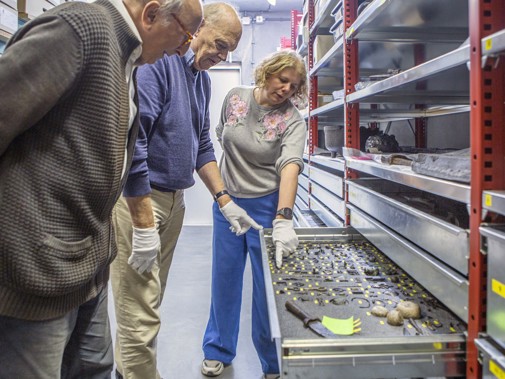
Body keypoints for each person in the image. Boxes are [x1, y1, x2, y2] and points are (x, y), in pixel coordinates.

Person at [0, 0, 203, 377]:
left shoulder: (129, 55)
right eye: (187, 34)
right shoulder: (80, 29)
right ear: (152, 13)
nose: (184, 48)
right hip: (38, 272)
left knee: (96, 368)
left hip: (89, 266)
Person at [110, 3, 252, 379]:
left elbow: (202, 145)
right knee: (139, 311)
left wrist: (224, 200)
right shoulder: (159, 63)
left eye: (228, 52)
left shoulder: (201, 81)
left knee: (149, 301)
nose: (221, 56)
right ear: (198, 27)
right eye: (220, 44)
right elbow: (134, 142)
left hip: (174, 202)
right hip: (141, 200)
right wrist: (141, 224)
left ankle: (128, 371)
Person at [201, 50, 308, 379]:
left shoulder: (293, 120)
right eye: (282, 79)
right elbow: (221, 135)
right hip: (228, 205)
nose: (286, 89)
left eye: (294, 85)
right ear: (267, 73)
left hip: (266, 206)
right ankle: (218, 348)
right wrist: (225, 195)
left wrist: (283, 218)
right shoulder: (235, 98)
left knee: (268, 288)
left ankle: (271, 361)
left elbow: (290, 167)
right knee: (225, 278)